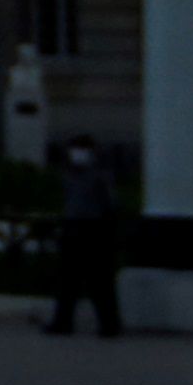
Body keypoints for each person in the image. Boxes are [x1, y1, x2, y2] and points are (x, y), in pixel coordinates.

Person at [46, 134, 124, 338]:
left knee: (99, 281)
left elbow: (111, 203)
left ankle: (109, 324)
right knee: (67, 280)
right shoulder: (67, 174)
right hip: (73, 227)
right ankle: (63, 321)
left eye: (82, 149)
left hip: (94, 229)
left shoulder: (100, 175)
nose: (77, 154)